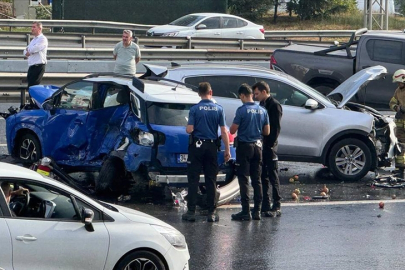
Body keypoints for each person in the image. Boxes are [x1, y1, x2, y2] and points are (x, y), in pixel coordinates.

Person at [182, 82, 231, 222]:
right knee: (211, 180)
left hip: (197, 147)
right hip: (211, 147)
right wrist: (227, 150)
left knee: (193, 179)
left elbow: (189, 129)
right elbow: (223, 131)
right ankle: (212, 212)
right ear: (211, 92)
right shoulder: (218, 109)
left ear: (199, 93)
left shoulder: (195, 109)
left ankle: (191, 212)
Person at [230, 83, 270, 221]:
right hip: (258, 147)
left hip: (244, 147)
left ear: (242, 95)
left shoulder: (241, 110)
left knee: (243, 179)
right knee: (256, 179)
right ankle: (257, 211)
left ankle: (245, 211)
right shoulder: (263, 110)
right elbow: (267, 131)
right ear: (252, 94)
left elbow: (232, 130)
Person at [253, 81, 283, 217]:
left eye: (257, 93)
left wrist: (269, 144)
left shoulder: (274, 105)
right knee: (262, 175)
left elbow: (275, 128)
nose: (255, 96)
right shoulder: (262, 105)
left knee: (272, 175)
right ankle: (266, 203)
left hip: (269, 146)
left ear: (264, 91)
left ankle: (277, 205)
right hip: (261, 145)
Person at [23, 21, 48, 89]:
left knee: (34, 87)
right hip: (32, 66)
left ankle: (33, 100)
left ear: (39, 28)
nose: (32, 28)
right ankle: (31, 99)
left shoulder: (42, 39)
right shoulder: (33, 40)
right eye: (32, 27)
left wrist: (29, 50)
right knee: (30, 87)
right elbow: (25, 51)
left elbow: (33, 49)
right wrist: (29, 51)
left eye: (34, 27)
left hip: (38, 66)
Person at [389, 69, 405, 172]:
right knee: (400, 145)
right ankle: (400, 167)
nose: (398, 84)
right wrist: (397, 108)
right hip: (400, 124)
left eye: (400, 82)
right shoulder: (398, 91)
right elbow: (391, 102)